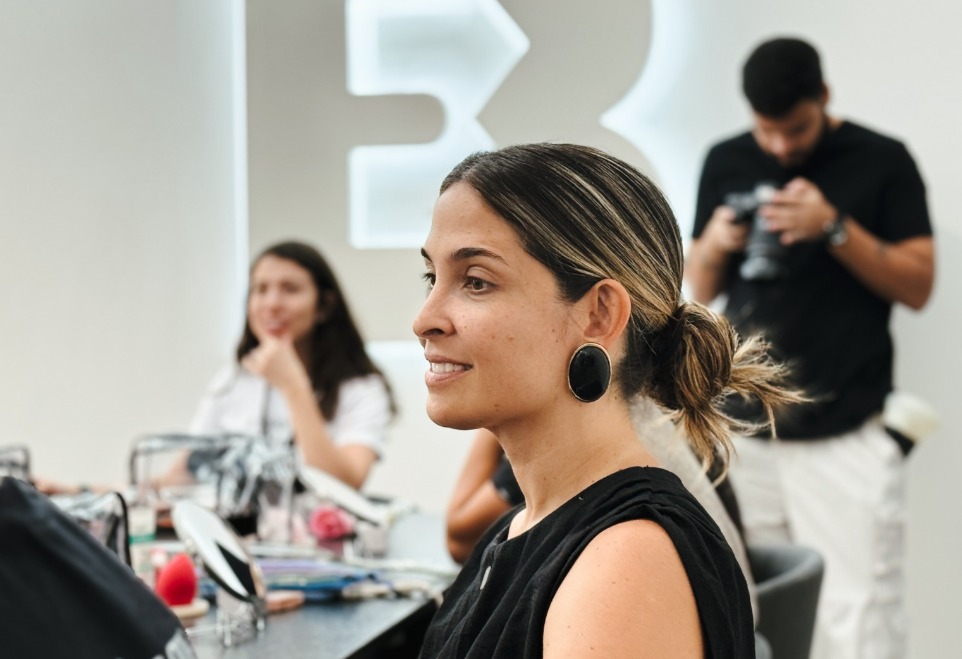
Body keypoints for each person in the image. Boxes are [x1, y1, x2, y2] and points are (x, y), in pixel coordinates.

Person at [415, 143, 798, 658]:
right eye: (431, 279)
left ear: (599, 314)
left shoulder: (624, 560)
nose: (424, 320)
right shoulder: (519, 529)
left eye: (477, 282)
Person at [685, 37, 935, 659]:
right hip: (746, 430)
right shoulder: (726, 160)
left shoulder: (882, 159)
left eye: (794, 130)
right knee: (754, 608)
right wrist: (716, 243)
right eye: (766, 131)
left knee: (858, 616)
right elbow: (701, 287)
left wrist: (833, 228)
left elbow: (919, 285)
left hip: (843, 428)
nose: (779, 147)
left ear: (824, 96)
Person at [187, 241, 396, 490]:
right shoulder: (233, 379)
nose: (272, 303)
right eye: (260, 289)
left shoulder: (362, 388)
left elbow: (343, 485)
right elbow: (188, 467)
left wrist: (293, 385)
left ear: (324, 305)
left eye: (290, 289)